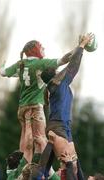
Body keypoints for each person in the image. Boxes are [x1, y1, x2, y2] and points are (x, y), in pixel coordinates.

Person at [0, 40, 74, 164]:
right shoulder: (41, 63)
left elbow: (3, 73)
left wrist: (2, 65)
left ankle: (24, 166)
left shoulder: (20, 64)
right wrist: (78, 49)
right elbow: (62, 60)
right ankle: (44, 168)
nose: (43, 48)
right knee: (40, 138)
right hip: (35, 106)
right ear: (35, 50)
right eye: (41, 47)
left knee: (24, 135)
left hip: (22, 107)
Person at [37, 33, 93, 179]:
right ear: (56, 74)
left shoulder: (53, 85)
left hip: (63, 127)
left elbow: (69, 61)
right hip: (58, 128)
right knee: (70, 167)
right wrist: (81, 46)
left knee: (73, 167)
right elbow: (73, 67)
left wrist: (79, 46)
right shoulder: (58, 83)